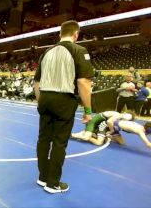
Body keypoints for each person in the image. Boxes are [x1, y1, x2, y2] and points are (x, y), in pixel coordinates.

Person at [34, 20, 94, 193]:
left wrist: (41, 102)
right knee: (59, 143)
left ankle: (42, 177)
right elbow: (83, 82)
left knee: (43, 139)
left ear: (60, 34)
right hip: (64, 100)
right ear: (76, 34)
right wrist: (88, 110)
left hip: (45, 98)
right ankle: (53, 184)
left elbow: (37, 82)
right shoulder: (79, 50)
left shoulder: (46, 52)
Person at [71, 111, 135, 145]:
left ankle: (95, 135)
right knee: (90, 139)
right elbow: (109, 122)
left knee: (122, 142)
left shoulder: (122, 120)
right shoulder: (118, 115)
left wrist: (110, 134)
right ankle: (71, 135)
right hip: (97, 123)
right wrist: (111, 131)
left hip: (106, 126)